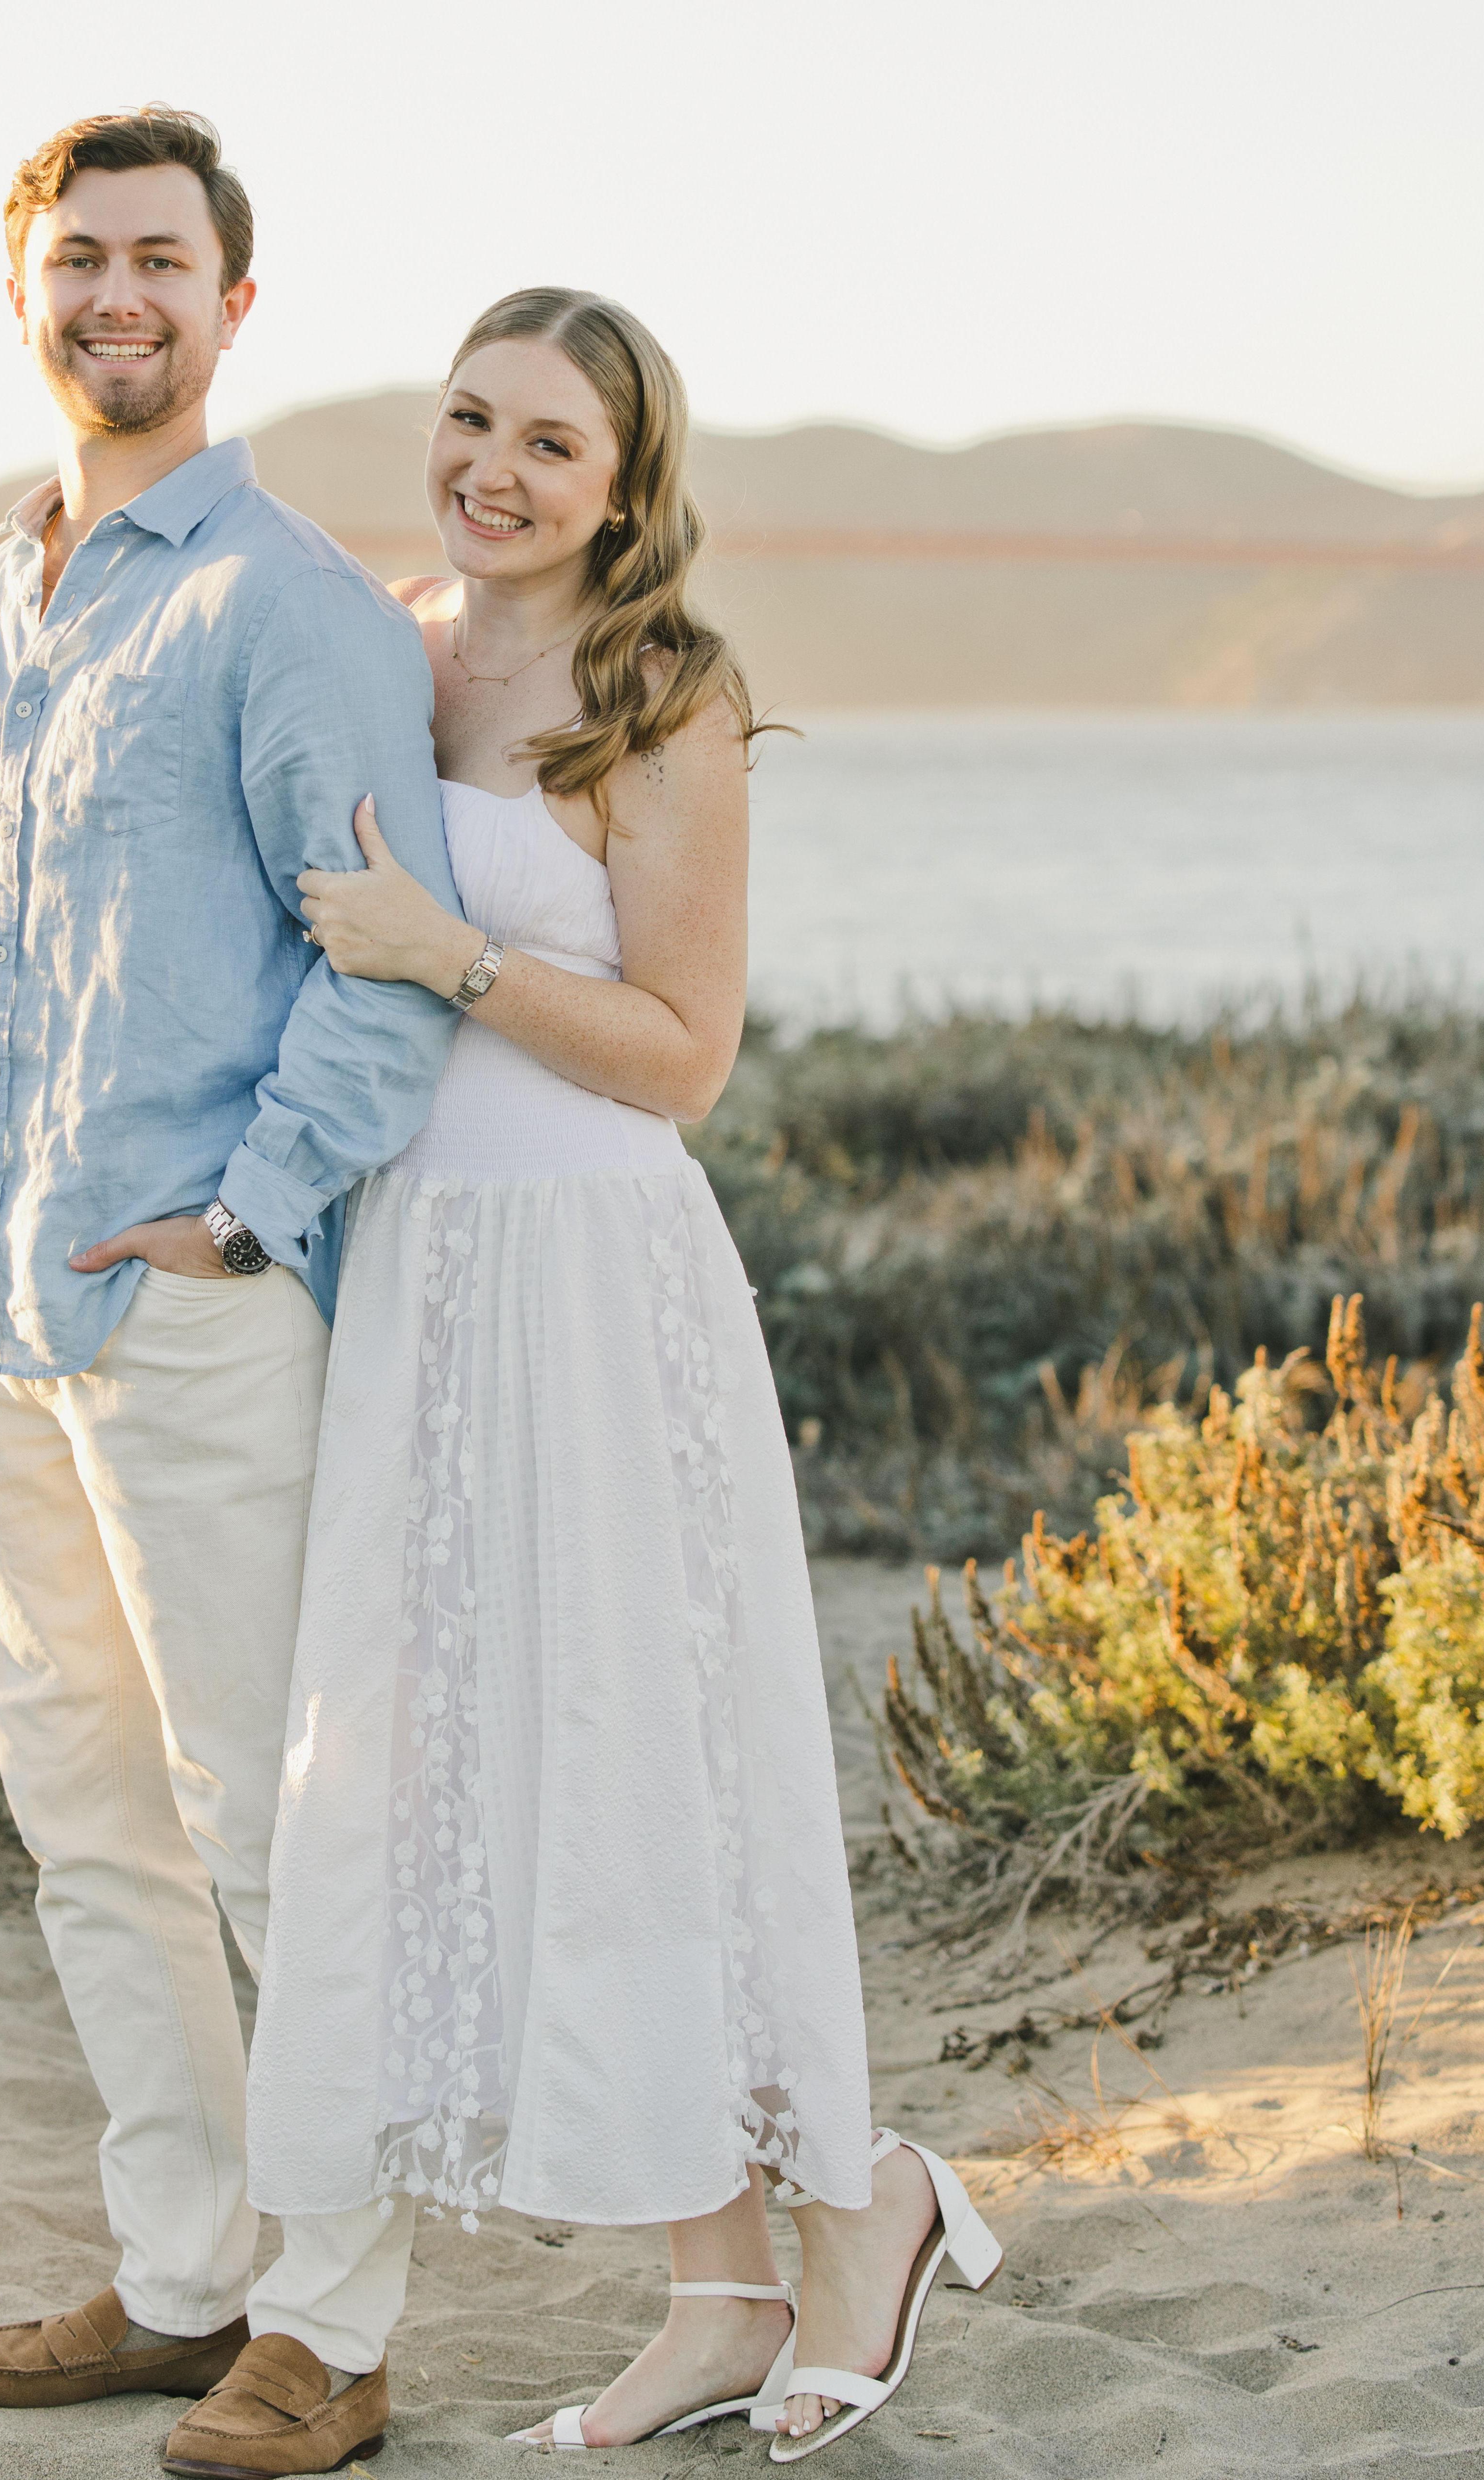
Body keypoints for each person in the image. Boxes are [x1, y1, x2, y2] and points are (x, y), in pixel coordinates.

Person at [241, 289, 1001, 2465]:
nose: (494, 468)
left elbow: (686, 1057)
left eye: (549, 443)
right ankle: (718, 2286)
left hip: (592, 1274)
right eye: (469, 419)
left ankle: (867, 2207)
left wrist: (452, 958)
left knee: (644, 1752)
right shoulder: (394, 639)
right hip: (426, 1276)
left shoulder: (665, 687)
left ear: (623, 483)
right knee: (515, 1767)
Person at [0, 107, 460, 2478]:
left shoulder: (287, 603)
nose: (118, 297)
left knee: (259, 1822)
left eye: (161, 261)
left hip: (198, 1307)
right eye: (78, 259)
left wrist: (244, 1211)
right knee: (84, 1813)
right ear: (21, 295)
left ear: (234, 304)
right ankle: (181, 2275)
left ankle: (333, 2323)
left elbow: (387, 967)